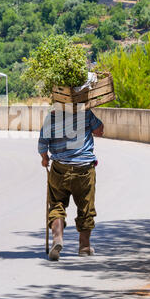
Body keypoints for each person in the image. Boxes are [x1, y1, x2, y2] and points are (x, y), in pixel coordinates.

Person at [38, 106, 104, 261]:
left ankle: (58, 238)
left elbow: (42, 144)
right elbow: (99, 131)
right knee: (86, 207)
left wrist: (44, 158)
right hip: (84, 170)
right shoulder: (85, 113)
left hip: (60, 169)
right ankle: (84, 246)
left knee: (56, 204)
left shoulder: (52, 117)